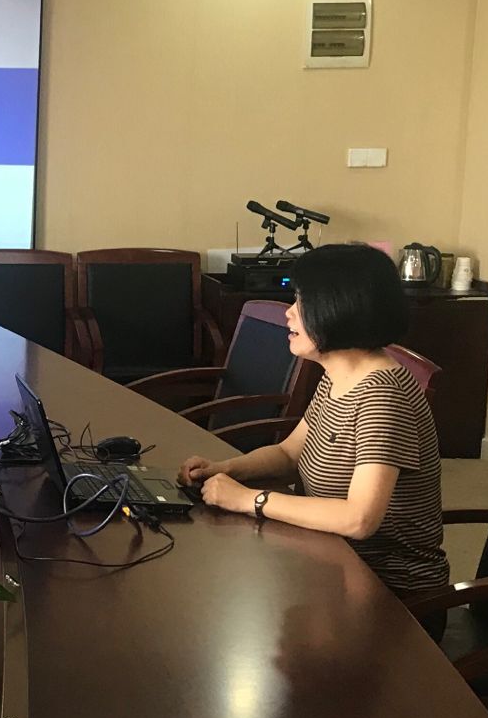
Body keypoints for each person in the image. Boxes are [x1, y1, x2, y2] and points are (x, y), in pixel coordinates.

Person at [181, 243, 448, 616]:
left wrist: (248, 500)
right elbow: (290, 454)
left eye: (301, 302)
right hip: (328, 562)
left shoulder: (382, 396)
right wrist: (225, 469)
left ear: (339, 308)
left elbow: (359, 519)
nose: (289, 312)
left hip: (390, 597)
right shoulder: (338, 375)